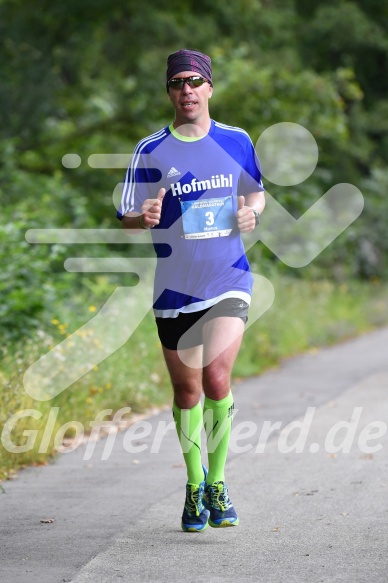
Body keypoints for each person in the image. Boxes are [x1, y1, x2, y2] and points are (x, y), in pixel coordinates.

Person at [117, 49, 265, 532]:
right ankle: (194, 484)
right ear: (169, 91)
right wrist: (145, 218)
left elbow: (255, 190)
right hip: (175, 287)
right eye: (178, 82)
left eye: (195, 81)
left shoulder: (236, 140)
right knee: (187, 391)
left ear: (209, 88)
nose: (187, 90)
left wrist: (252, 212)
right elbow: (126, 218)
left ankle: (218, 485)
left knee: (217, 377)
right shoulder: (150, 150)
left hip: (228, 277)